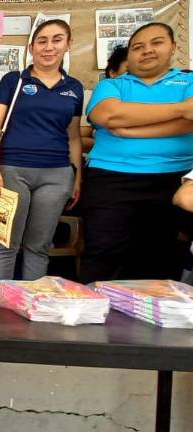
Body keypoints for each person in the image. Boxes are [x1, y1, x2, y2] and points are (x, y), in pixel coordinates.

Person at [83, 22, 193, 283]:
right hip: (111, 178)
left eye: (156, 43)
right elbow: (108, 114)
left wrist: (131, 128)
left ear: (173, 48)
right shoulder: (112, 85)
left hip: (174, 180)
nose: (147, 51)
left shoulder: (188, 81)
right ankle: (93, 316)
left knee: (161, 257)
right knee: (103, 253)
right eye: (138, 47)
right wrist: (180, 109)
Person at [0, 20, 83, 282]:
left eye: (57, 39)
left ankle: (30, 306)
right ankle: (0, 304)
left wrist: (77, 178)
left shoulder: (74, 88)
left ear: (68, 45)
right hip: (11, 171)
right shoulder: (13, 81)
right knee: (5, 244)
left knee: (38, 247)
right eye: (42, 41)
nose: (49, 47)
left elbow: (73, 137)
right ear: (31, 47)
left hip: (57, 175)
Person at [81, 46, 129, 152]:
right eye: (129, 70)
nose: (136, 76)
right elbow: (79, 136)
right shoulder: (102, 92)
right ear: (113, 73)